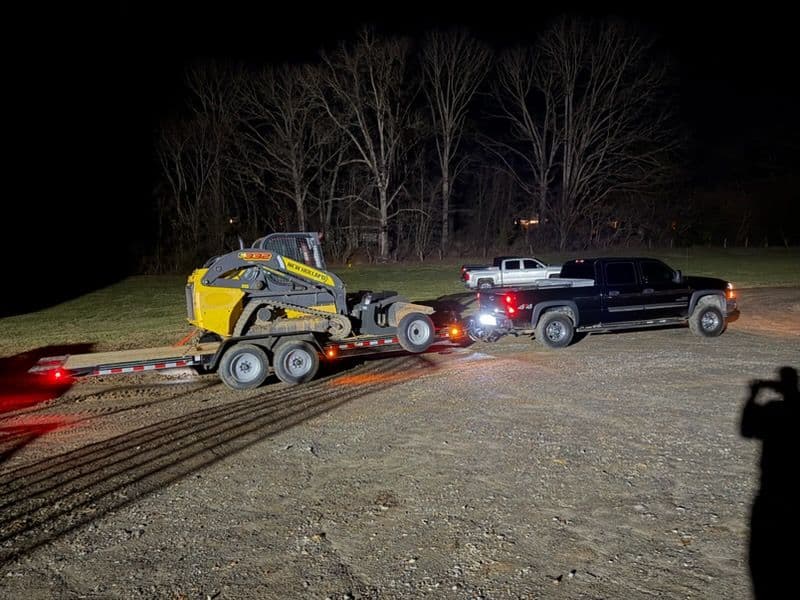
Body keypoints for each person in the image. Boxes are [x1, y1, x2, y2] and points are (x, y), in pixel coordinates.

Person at [740, 366, 798, 599]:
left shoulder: (773, 409)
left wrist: (753, 396)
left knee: (765, 554)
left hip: (771, 487)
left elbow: (746, 430)